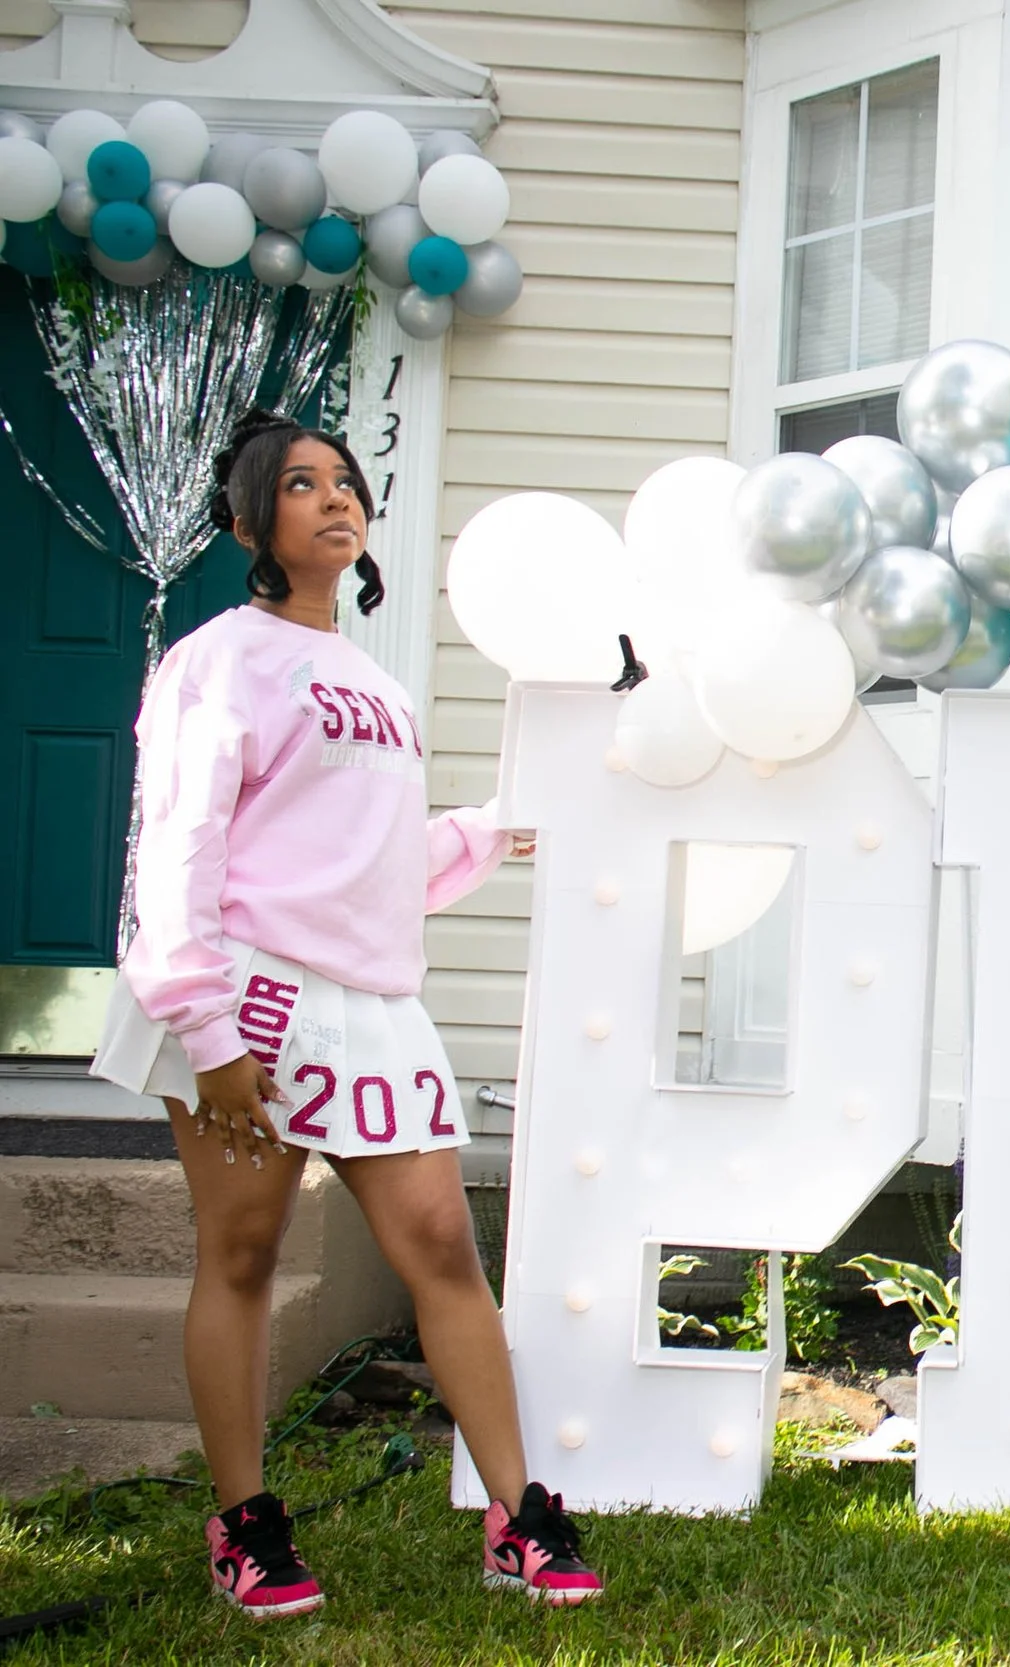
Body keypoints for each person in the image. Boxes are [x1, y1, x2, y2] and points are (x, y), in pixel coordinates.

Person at [88, 410, 601, 1618]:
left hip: (370, 1002)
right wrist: (207, 1031)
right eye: (300, 483)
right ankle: (246, 1525)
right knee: (245, 1252)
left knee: (441, 1242)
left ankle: (518, 1517)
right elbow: (181, 846)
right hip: (249, 989)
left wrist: (494, 830)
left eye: (346, 482)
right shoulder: (216, 660)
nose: (334, 499)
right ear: (246, 521)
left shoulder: (374, 681)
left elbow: (371, 863)